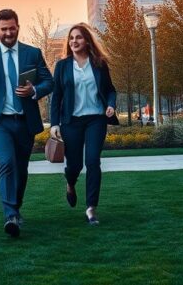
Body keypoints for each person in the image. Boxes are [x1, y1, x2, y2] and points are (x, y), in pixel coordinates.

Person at [0, 8, 53, 237]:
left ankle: (16, 208)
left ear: (18, 27)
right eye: (3, 29)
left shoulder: (32, 53)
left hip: (25, 121)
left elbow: (49, 81)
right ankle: (10, 215)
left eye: (12, 28)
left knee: (22, 168)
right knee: (6, 162)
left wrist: (34, 89)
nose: (8, 32)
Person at [49, 23, 117, 226]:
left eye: (78, 37)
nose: (74, 41)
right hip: (72, 122)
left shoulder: (99, 63)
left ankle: (91, 208)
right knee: (75, 165)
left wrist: (111, 105)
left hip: (95, 119)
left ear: (87, 40)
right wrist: (54, 124)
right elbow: (56, 97)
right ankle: (70, 182)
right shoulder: (62, 66)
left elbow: (111, 90)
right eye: (71, 38)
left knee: (93, 161)